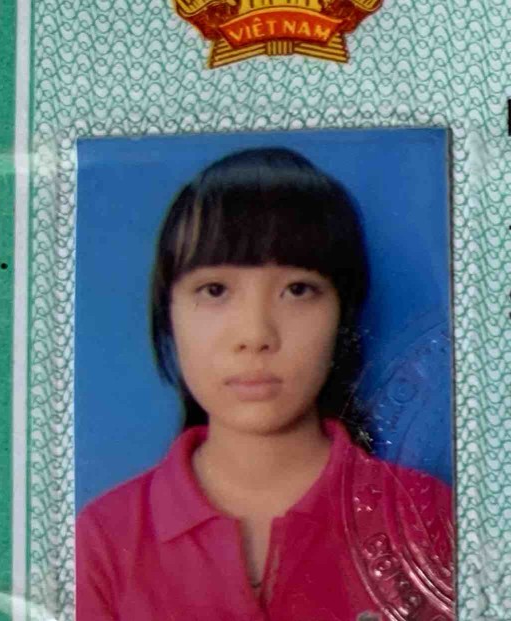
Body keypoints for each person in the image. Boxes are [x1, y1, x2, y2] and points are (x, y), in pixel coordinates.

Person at [76, 147, 455, 621]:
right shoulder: (102, 539)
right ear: (168, 316)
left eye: (298, 290)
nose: (255, 334)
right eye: (214, 290)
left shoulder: (426, 516)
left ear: (343, 317)